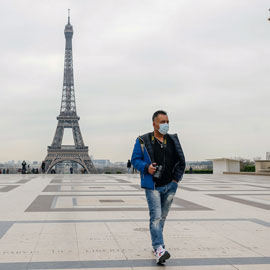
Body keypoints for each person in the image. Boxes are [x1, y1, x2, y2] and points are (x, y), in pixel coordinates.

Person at [131, 110, 185, 264]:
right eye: (162, 122)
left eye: (167, 121)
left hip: (170, 185)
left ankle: (157, 245)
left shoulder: (173, 140)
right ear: (154, 123)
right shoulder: (143, 140)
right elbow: (134, 159)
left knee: (162, 217)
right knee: (155, 217)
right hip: (153, 186)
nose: (165, 125)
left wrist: (176, 180)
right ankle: (159, 247)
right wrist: (146, 167)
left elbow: (181, 161)